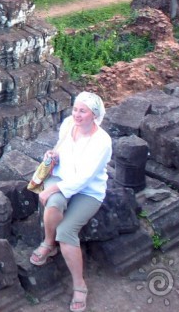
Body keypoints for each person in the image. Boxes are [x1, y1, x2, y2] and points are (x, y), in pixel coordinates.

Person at [29, 91, 112, 312]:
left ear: (94, 115)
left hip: (88, 191)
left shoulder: (102, 142)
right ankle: (48, 243)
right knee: (53, 204)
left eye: (82, 111)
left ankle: (79, 284)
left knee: (66, 232)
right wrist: (53, 155)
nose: (77, 114)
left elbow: (84, 178)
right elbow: (60, 146)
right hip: (61, 175)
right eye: (75, 109)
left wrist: (53, 188)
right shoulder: (68, 124)